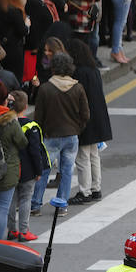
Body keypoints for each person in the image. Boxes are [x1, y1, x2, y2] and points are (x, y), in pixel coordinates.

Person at [32, 52, 87, 216]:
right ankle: (61, 205)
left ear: (53, 67)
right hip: (71, 135)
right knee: (67, 170)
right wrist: (77, 128)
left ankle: (35, 205)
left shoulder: (45, 88)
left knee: (43, 171)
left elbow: (38, 117)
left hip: (50, 136)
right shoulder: (78, 87)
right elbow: (85, 115)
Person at [66, 40, 111, 205]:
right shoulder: (93, 70)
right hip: (98, 117)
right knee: (93, 155)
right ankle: (95, 188)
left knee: (82, 156)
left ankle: (84, 191)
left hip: (85, 118)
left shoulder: (78, 73)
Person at [0, 81, 26, 240]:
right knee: (2, 208)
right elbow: (22, 142)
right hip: (7, 168)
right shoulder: (11, 121)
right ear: (5, 99)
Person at [6, 90, 46, 241]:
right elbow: (35, 151)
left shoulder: (6, 123)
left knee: (11, 199)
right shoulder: (31, 126)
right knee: (25, 199)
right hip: (28, 170)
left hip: (11, 168)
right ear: (25, 107)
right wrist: (39, 170)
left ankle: (12, 230)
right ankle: (24, 231)